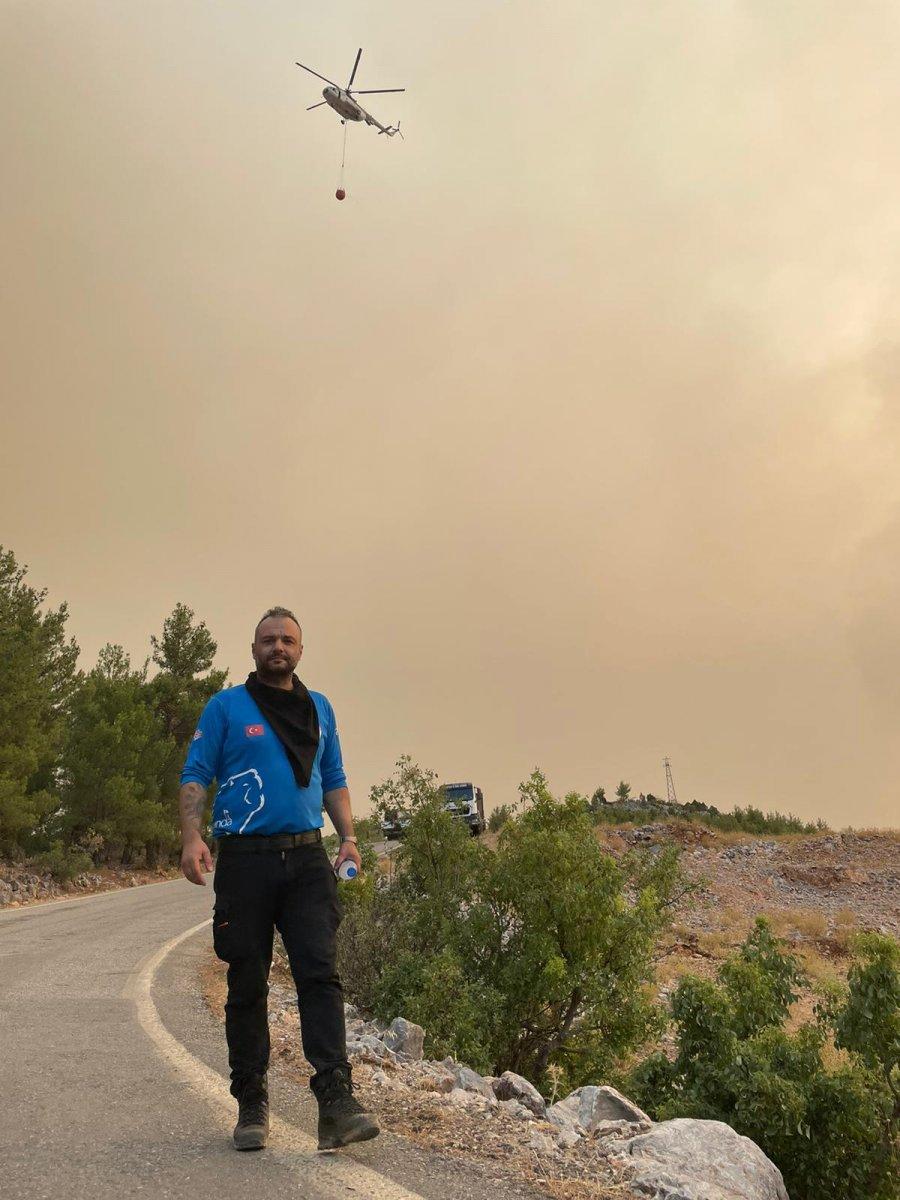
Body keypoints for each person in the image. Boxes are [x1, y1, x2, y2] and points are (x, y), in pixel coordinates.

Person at [178, 606, 379, 1152]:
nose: (278, 648)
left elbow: (333, 778)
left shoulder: (320, 709)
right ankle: (251, 1102)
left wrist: (349, 838)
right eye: (268, 640)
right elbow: (196, 774)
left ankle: (336, 1102)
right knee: (247, 982)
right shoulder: (225, 708)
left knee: (320, 975)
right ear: (253, 650)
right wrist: (192, 837)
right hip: (245, 863)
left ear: (300, 650)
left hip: (308, 860)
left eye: (288, 640)